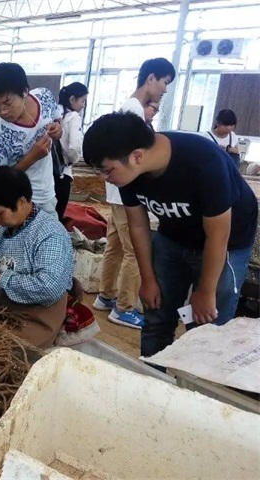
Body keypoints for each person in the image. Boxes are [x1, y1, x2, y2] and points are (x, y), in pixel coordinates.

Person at [83, 112, 257, 358]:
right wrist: (148, 279)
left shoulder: (204, 161)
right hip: (173, 236)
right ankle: (152, 374)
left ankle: (196, 379)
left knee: (207, 324)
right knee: (156, 313)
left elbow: (218, 235)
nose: (105, 178)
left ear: (137, 156)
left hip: (226, 242)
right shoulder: (129, 175)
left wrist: (206, 290)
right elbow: (138, 225)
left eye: (106, 171)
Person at [93, 57, 176, 329]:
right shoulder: (134, 110)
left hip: (118, 194)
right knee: (134, 251)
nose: (164, 90)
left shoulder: (131, 108)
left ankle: (106, 295)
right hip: (125, 195)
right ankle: (124, 307)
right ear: (151, 78)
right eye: (164, 83)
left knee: (115, 247)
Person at [0, 166, 74, 347]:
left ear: (21, 202)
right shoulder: (5, 227)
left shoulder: (50, 233)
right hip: (0, 307)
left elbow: (49, 287)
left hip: (34, 317)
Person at [0, 63, 62, 219]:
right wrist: (32, 157)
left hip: (48, 192)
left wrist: (58, 130)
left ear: (24, 92)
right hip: (20, 203)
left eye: (8, 103)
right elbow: (0, 181)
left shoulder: (44, 97)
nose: (2, 111)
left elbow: (57, 120)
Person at [53, 81, 88, 221]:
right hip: (62, 172)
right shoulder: (74, 117)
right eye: (82, 101)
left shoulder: (53, 112)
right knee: (57, 214)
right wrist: (71, 160)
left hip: (46, 171)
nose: (83, 105)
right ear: (72, 99)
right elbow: (74, 146)